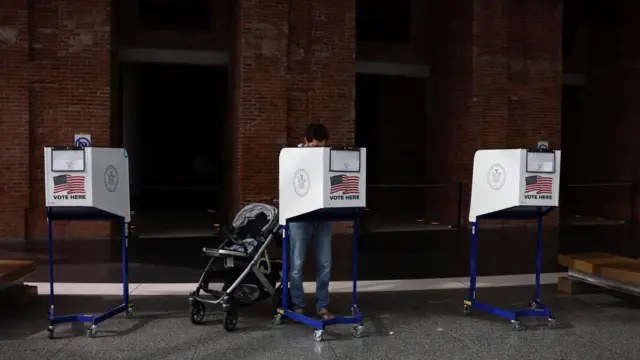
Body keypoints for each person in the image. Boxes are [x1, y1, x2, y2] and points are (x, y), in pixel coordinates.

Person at [289, 123, 335, 320]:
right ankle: (298, 304)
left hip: (323, 216)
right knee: (297, 264)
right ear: (305, 141)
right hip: (300, 217)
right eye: (315, 147)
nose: (319, 151)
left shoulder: (329, 157)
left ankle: (322, 305)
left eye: (322, 147)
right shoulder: (293, 158)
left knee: (324, 263)